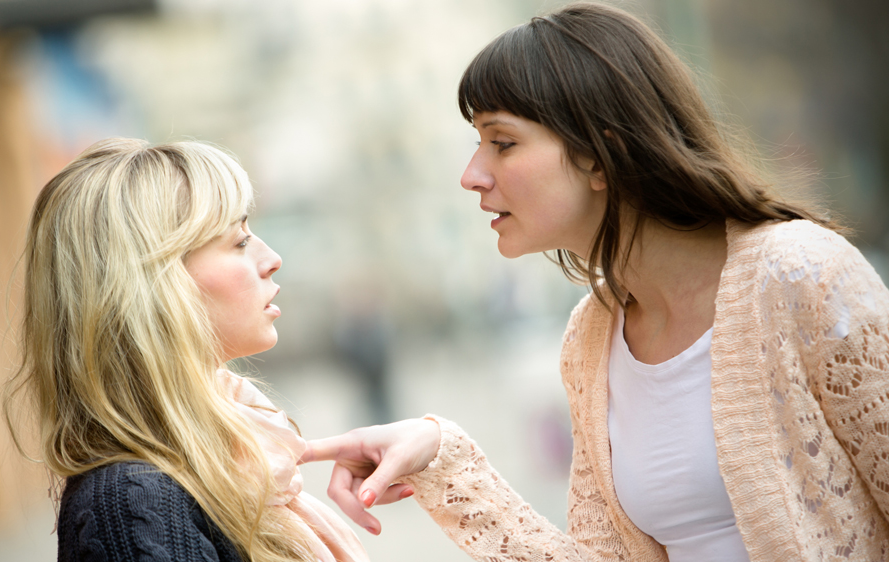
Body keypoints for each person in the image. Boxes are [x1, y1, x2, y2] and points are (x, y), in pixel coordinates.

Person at [300, 3, 889, 561]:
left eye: (502, 143)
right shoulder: (592, 337)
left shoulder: (800, 275)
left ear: (600, 156)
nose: (472, 175)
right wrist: (438, 457)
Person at [2, 138, 368, 562]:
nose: (272, 259)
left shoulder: (228, 453)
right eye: (239, 242)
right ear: (152, 285)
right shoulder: (132, 506)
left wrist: (435, 449)